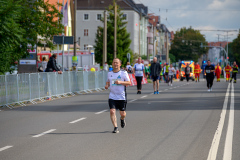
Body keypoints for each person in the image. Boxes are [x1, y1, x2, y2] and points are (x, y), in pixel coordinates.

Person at [105, 58, 131, 133]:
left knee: (122, 113)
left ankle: (122, 119)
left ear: (120, 64)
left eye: (117, 63)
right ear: (112, 64)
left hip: (121, 96)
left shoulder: (123, 73)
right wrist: (107, 85)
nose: (115, 64)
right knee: (112, 111)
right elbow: (108, 82)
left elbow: (129, 82)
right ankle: (115, 127)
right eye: (114, 63)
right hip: (112, 96)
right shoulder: (109, 73)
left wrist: (120, 82)